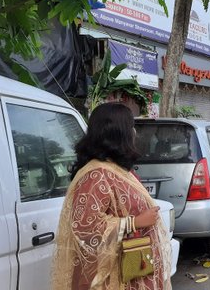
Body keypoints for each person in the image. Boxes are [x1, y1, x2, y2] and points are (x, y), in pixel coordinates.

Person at [52, 103, 172, 289]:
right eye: (130, 126)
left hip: (133, 267)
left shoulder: (117, 169)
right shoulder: (96, 174)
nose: (134, 132)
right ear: (119, 133)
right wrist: (135, 222)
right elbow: (85, 228)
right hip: (110, 278)